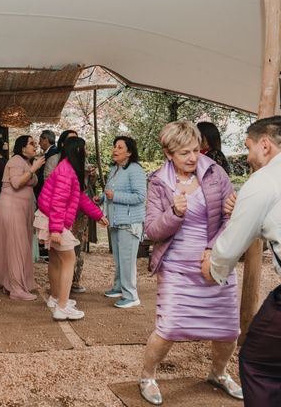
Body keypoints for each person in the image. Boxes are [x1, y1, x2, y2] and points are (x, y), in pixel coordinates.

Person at [139, 121, 241, 405]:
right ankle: (147, 376)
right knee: (169, 327)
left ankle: (218, 373)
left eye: (196, 150)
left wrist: (213, 250)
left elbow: (231, 216)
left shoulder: (215, 173)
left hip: (216, 262)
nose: (193, 157)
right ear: (168, 153)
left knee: (228, 328)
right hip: (177, 267)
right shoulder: (159, 181)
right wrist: (174, 212)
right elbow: (151, 230)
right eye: (184, 152)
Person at [201, 115, 281, 407]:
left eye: (248, 147)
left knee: (258, 361)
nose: (247, 157)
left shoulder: (265, 179)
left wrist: (214, 266)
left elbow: (233, 244)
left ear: (265, 144)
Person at [36, 137, 108, 320]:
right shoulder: (66, 172)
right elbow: (58, 202)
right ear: (78, 151)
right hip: (52, 220)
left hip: (49, 218)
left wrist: (98, 215)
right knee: (69, 259)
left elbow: (81, 198)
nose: (87, 152)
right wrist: (56, 230)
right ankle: (62, 307)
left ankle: (56, 298)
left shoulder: (68, 169)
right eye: (85, 149)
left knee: (56, 259)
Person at [0, 135, 45, 301]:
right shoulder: (16, 160)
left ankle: (11, 283)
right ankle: (16, 289)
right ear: (22, 147)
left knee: (19, 247)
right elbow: (16, 183)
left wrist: (32, 167)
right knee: (17, 248)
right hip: (11, 209)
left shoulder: (26, 162)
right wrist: (33, 169)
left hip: (20, 210)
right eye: (31, 144)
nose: (35, 146)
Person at [101, 136, 147, 308]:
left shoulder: (135, 170)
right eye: (115, 146)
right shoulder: (114, 169)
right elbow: (109, 192)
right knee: (119, 258)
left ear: (129, 152)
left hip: (130, 222)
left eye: (120, 147)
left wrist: (116, 196)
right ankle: (119, 287)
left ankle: (131, 295)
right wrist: (101, 198)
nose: (115, 150)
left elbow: (141, 196)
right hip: (115, 220)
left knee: (127, 259)